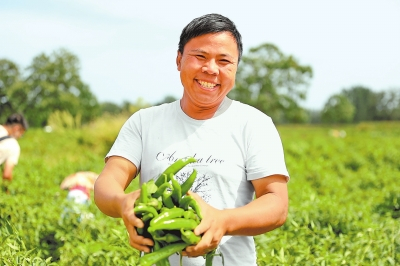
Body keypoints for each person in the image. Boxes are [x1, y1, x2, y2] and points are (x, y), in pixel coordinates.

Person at [94, 13, 289, 265]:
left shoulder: (254, 124)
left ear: (236, 68)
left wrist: (223, 221)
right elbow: (107, 182)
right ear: (179, 60)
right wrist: (122, 203)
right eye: (200, 57)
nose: (211, 69)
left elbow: (276, 204)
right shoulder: (145, 122)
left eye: (224, 61)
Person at [0, 113, 28, 187]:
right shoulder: (13, 145)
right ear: (16, 128)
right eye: (21, 134)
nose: (19, 137)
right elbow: (7, 175)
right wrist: (8, 191)